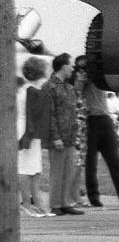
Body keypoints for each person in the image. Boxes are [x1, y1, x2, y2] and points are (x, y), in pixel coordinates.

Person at [77, 55, 119, 208]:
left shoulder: (99, 80)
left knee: (115, 161)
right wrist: (82, 75)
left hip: (104, 119)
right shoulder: (82, 80)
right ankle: (94, 197)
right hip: (91, 119)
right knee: (91, 162)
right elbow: (77, 91)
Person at [39, 53, 84, 216]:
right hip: (57, 137)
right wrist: (55, 136)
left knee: (68, 171)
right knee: (57, 172)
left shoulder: (69, 87)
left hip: (70, 136)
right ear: (64, 67)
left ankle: (66, 202)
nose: (73, 69)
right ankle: (56, 204)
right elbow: (49, 114)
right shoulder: (49, 87)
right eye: (71, 65)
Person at [17, 56, 50, 217]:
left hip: (32, 130)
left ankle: (38, 203)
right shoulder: (30, 91)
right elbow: (30, 114)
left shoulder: (32, 90)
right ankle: (27, 204)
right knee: (24, 168)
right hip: (25, 129)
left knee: (35, 169)